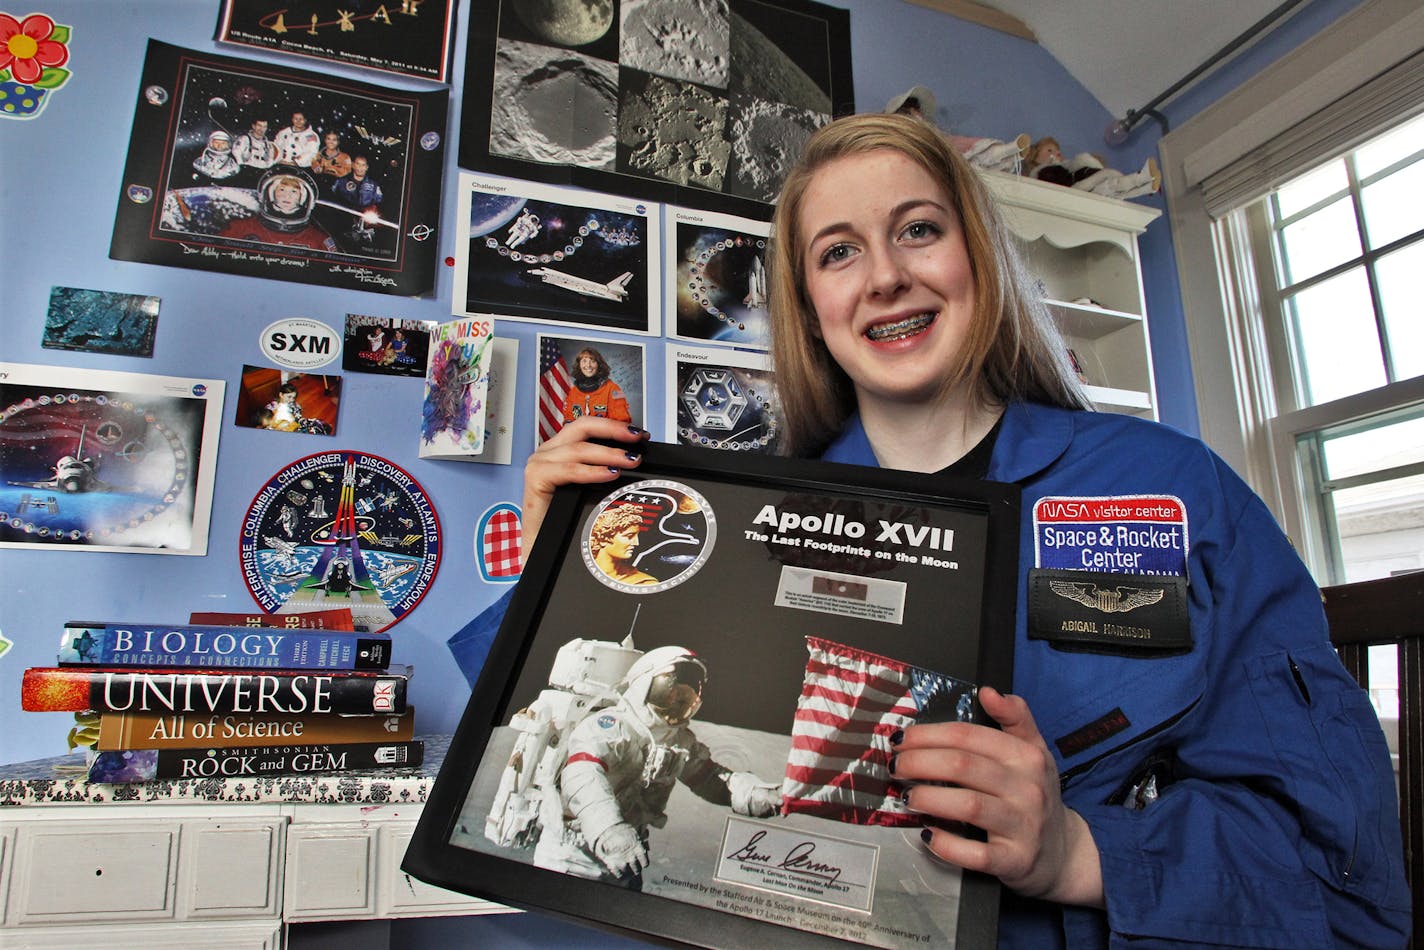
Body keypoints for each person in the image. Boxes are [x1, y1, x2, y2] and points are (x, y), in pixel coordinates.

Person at [520, 112, 1410, 947]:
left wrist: (1077, 854)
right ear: (811, 306)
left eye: (918, 229)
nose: (884, 277)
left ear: (976, 254)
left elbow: (1343, 881)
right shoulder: (740, 526)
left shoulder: (1168, 493)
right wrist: (555, 567)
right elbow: (555, 761)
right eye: (838, 253)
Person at [532, 647, 781, 887]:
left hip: (627, 859)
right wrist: (609, 829)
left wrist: (753, 793)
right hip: (571, 857)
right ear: (645, 685)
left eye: (687, 695)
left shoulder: (679, 741)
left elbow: (710, 779)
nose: (679, 700)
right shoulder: (609, 726)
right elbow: (582, 775)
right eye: (670, 691)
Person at [217, 167, 336, 252]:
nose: (287, 196)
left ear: (303, 198)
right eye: (282, 189)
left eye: (294, 191)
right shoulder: (238, 229)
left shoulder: (319, 241)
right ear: (271, 193)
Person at [587, 504, 657, 586]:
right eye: (629, 536)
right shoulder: (577, 570)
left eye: (637, 536)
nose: (636, 543)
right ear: (603, 539)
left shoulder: (645, 583)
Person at [561, 347, 632, 426]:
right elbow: (568, 417)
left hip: (604, 436)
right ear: (579, 365)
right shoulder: (574, 391)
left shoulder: (615, 389)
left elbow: (622, 419)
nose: (588, 365)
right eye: (584, 361)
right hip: (579, 436)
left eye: (593, 361)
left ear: (599, 365)